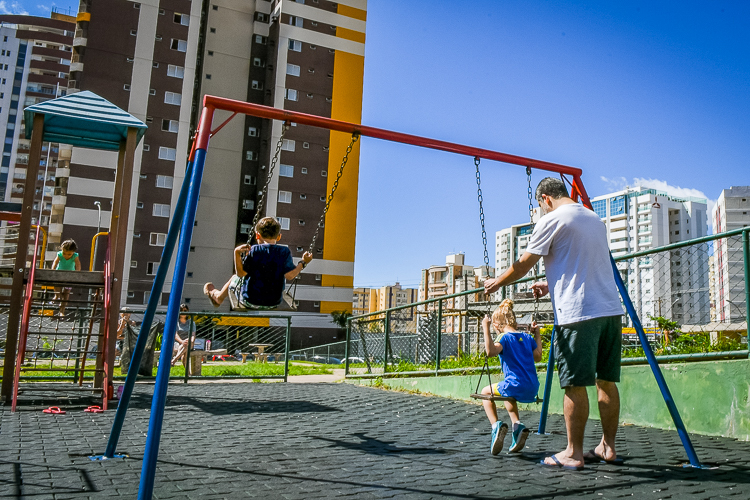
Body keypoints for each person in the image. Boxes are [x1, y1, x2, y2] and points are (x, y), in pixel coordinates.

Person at [483, 177, 624, 470]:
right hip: (610, 309)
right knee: (606, 381)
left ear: (546, 198)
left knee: (574, 383)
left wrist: (496, 283)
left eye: (541, 206)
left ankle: (573, 453)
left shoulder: (553, 220)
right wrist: (549, 287)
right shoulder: (594, 218)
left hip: (578, 313)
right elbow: (585, 263)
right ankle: (608, 447)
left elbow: (523, 264)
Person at [203, 217, 312, 309]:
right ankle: (217, 297)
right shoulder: (284, 252)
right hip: (274, 303)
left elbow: (241, 274)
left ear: (257, 235)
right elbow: (290, 275)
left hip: (250, 301)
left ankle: (218, 297)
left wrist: (236, 253)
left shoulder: (254, 250)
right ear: (278, 236)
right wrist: (303, 262)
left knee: (235, 278)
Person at [480, 299, 542, 456]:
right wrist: (537, 335)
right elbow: (538, 357)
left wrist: (485, 329)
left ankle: (496, 426)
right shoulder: (527, 338)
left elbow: (490, 352)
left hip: (514, 384)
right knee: (508, 395)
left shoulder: (503, 338)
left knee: (485, 392)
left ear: (496, 325)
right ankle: (517, 426)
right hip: (532, 387)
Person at [51, 239, 81, 318]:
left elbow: (78, 265)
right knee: (57, 287)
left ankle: (62, 311)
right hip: (59, 274)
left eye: (69, 254)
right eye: (65, 253)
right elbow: (55, 262)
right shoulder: (60, 254)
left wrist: (77, 273)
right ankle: (56, 296)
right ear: (62, 250)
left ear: (73, 252)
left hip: (69, 276)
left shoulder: (75, 256)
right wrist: (52, 270)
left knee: (66, 293)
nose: (66, 255)